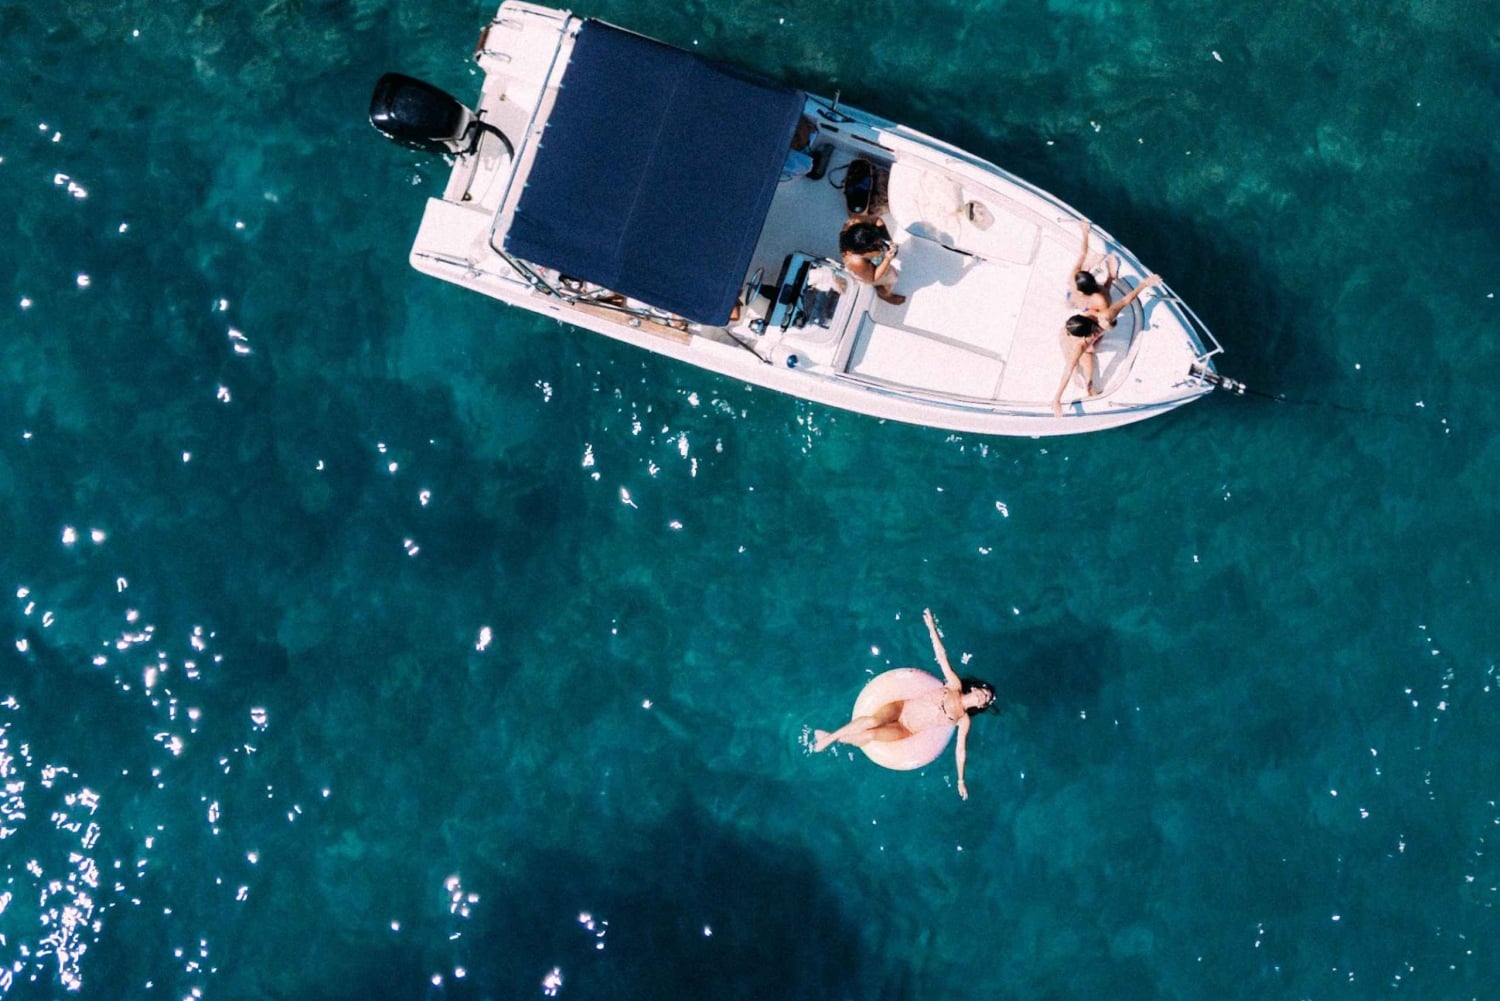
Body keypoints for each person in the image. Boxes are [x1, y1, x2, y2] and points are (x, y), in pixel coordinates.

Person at [813, 609, 996, 799]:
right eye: (983, 692)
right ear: (975, 689)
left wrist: (960, 780)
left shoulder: (963, 720)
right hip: (901, 708)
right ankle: (830, 738)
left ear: (981, 706)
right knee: (871, 721)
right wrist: (931, 628)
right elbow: (942, 658)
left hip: (906, 729)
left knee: (872, 734)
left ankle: (834, 738)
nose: (982, 697)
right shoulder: (954, 685)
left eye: (985, 699)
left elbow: (960, 750)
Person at [1050, 274, 1162, 416]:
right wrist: (1057, 398)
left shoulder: (1106, 316)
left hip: (1081, 330)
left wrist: (1145, 284)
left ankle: (1089, 384)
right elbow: (1068, 369)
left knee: (1088, 352)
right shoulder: (1080, 344)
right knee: (1081, 355)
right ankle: (1089, 384)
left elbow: (1126, 300)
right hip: (1073, 334)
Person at [838, 214, 906, 305]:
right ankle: (885, 295)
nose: (879, 242)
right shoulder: (856, 261)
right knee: (892, 278)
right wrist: (887, 259)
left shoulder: (855, 222)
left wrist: (889, 241)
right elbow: (873, 277)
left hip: (871, 257)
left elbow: (877, 220)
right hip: (866, 271)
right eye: (875, 243)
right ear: (863, 250)